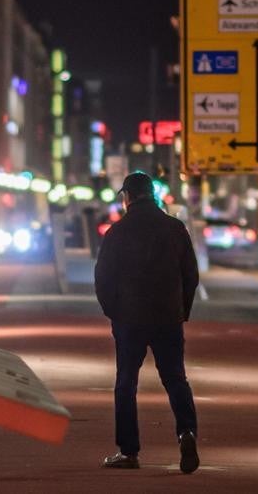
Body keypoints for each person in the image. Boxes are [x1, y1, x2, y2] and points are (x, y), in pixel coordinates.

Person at [94, 171, 200, 474]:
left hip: (130, 318)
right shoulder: (175, 229)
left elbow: (103, 278)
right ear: (152, 194)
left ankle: (129, 451)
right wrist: (181, 311)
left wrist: (114, 312)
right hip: (167, 317)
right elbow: (190, 275)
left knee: (126, 383)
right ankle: (186, 432)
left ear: (127, 197)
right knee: (175, 378)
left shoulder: (118, 232)